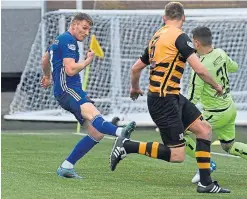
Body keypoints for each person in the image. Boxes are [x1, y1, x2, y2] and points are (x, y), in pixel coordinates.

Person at [109, 2, 230, 194]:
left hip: (171, 96)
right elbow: (198, 69)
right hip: (163, 101)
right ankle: (127, 146)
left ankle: (206, 183)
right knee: (176, 155)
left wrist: (134, 88)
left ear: (164, 18)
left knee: (204, 130)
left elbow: (135, 68)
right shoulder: (180, 38)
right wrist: (217, 86)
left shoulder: (156, 38)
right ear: (184, 18)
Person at [40, 12, 136, 178]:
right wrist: (87, 61)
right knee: (93, 114)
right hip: (68, 89)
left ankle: (66, 166)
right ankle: (121, 133)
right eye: (84, 28)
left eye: (88, 30)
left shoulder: (60, 39)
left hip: (66, 90)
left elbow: (45, 58)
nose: (86, 32)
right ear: (74, 24)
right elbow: (70, 70)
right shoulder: (68, 40)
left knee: (96, 132)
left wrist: (48, 76)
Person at [184, 26, 247, 184]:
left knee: (177, 133)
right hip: (230, 109)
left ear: (196, 42)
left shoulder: (200, 68)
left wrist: (177, 114)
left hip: (215, 113)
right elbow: (234, 67)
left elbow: (192, 99)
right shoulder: (220, 53)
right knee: (228, 146)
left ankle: (206, 164)